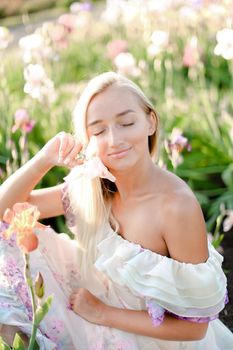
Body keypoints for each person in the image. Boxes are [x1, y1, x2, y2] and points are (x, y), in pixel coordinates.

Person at [0, 71, 232, 349]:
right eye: (98, 130)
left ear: (150, 121)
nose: (114, 139)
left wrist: (102, 313)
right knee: (9, 238)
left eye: (126, 122)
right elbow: (5, 209)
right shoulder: (93, 188)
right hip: (95, 300)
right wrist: (44, 159)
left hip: (152, 336)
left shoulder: (175, 206)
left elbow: (193, 329)